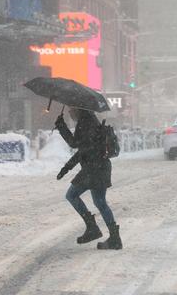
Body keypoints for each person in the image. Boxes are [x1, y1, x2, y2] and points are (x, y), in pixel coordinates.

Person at [55, 107, 122, 250]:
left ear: (77, 109)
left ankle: (92, 228)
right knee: (100, 202)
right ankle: (114, 238)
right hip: (100, 167)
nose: (70, 113)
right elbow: (82, 151)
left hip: (93, 168)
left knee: (72, 195)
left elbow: (75, 144)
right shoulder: (90, 121)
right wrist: (66, 169)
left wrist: (61, 126)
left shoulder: (85, 123)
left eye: (70, 110)